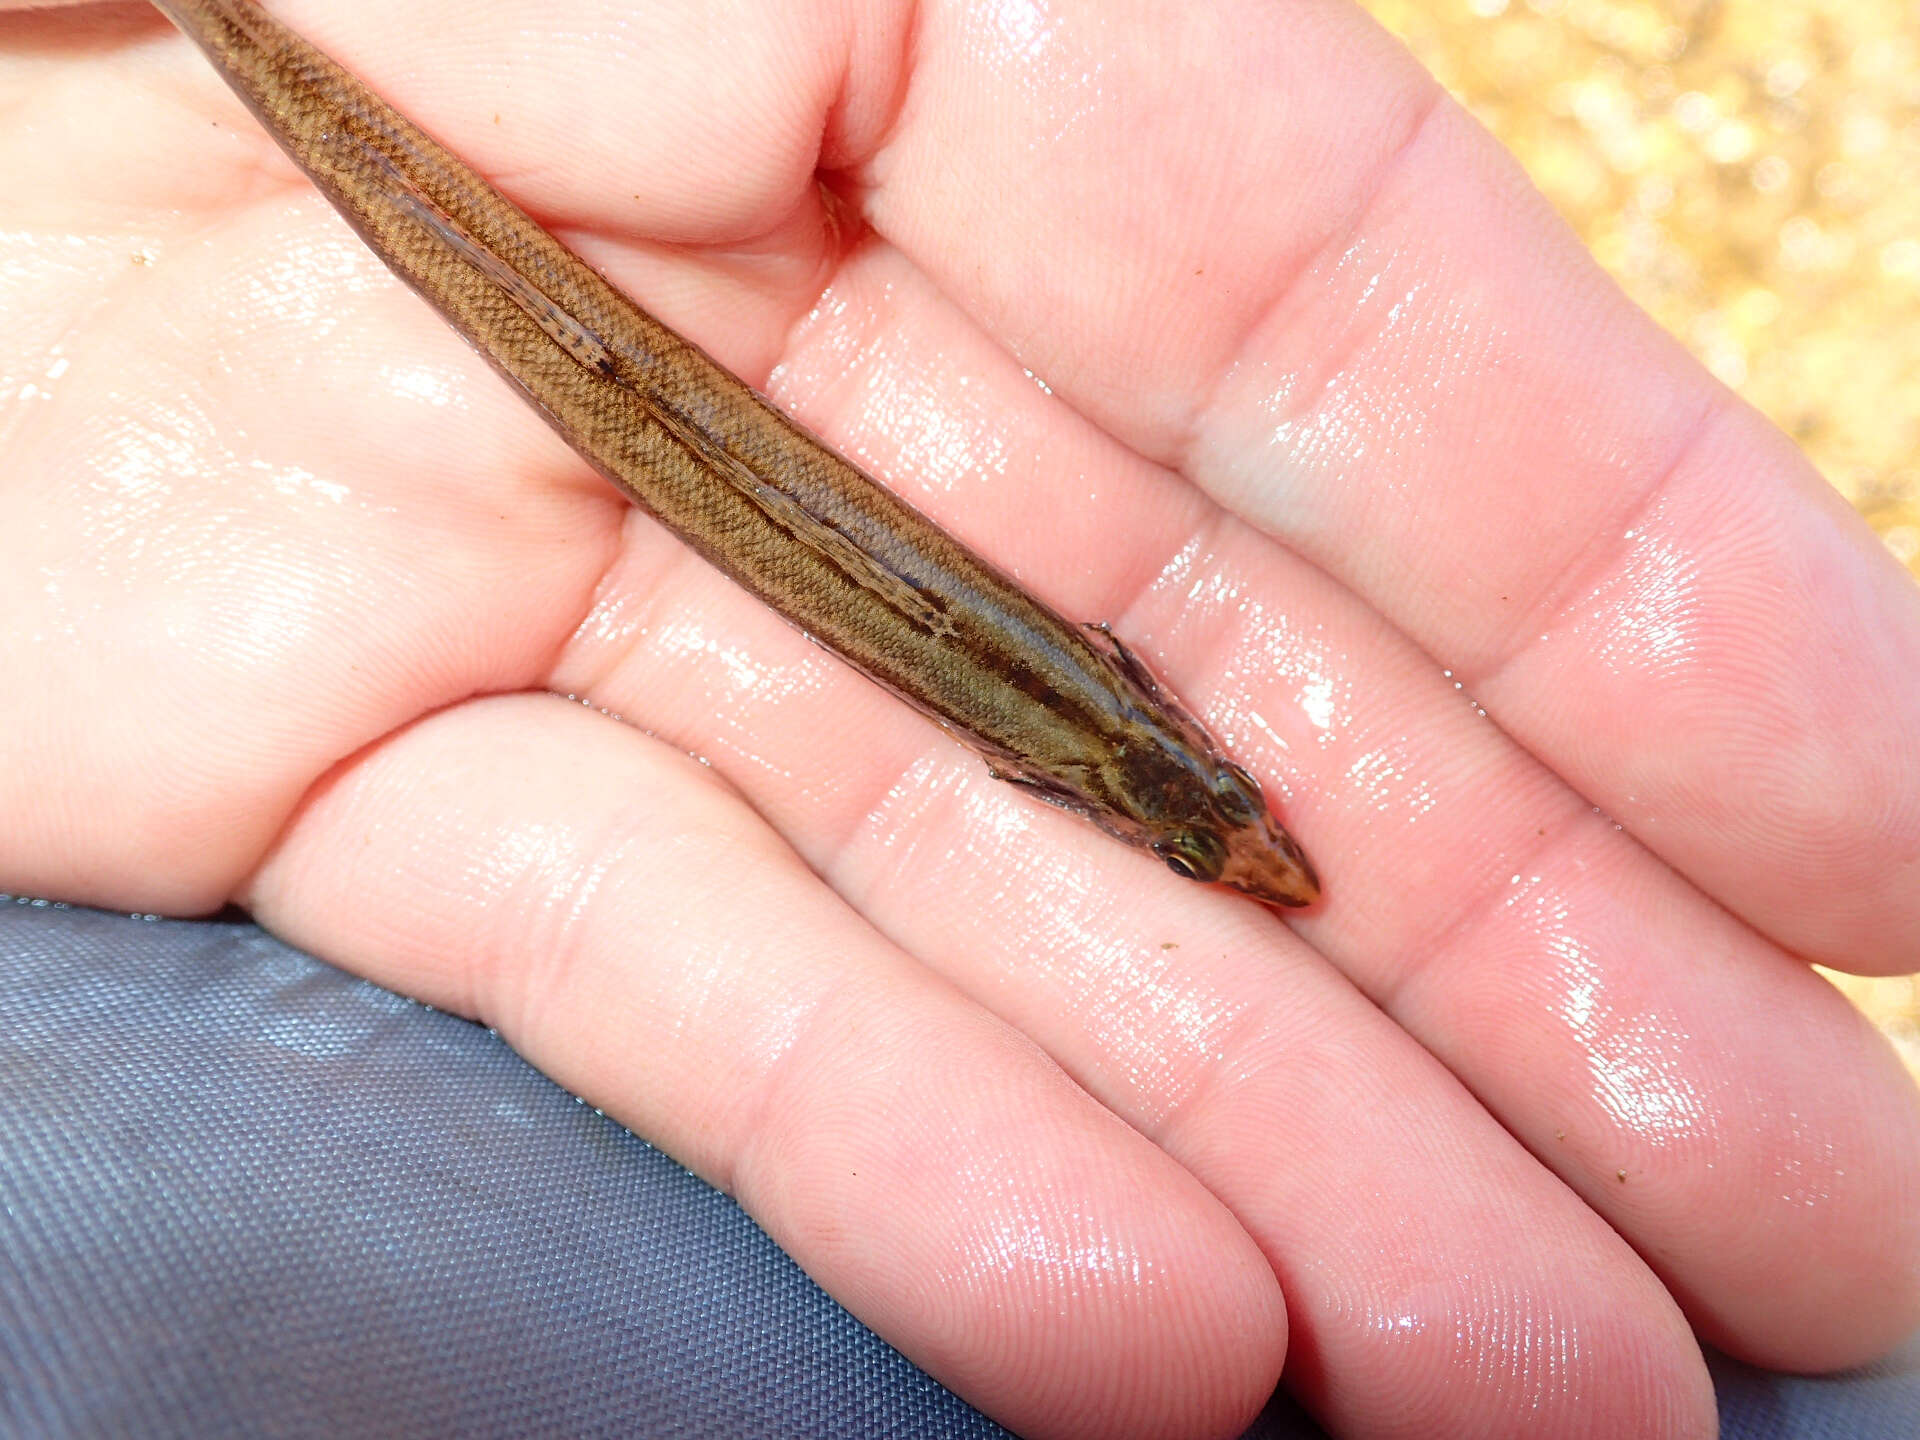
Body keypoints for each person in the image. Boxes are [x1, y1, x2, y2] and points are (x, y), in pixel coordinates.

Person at [2, 2, 1917, 1436]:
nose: (1245, 844)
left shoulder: (1096, 727)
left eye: (1207, 819)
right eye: (1200, 824)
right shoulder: (1083, 729)